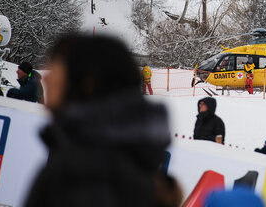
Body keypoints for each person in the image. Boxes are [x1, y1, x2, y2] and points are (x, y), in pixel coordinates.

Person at [25, 34, 181, 207]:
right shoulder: (127, 163)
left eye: (55, 65)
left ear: (87, 81)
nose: (46, 76)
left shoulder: (83, 174)